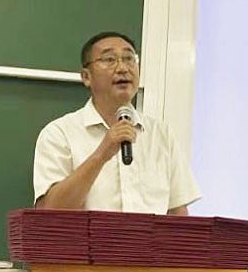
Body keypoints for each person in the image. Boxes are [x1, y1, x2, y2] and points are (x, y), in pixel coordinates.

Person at [33, 31, 200, 214]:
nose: (122, 68)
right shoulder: (59, 133)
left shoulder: (160, 134)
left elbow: (177, 212)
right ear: (86, 77)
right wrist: (102, 153)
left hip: (147, 235)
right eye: (109, 59)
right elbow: (49, 211)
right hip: (89, 234)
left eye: (129, 58)